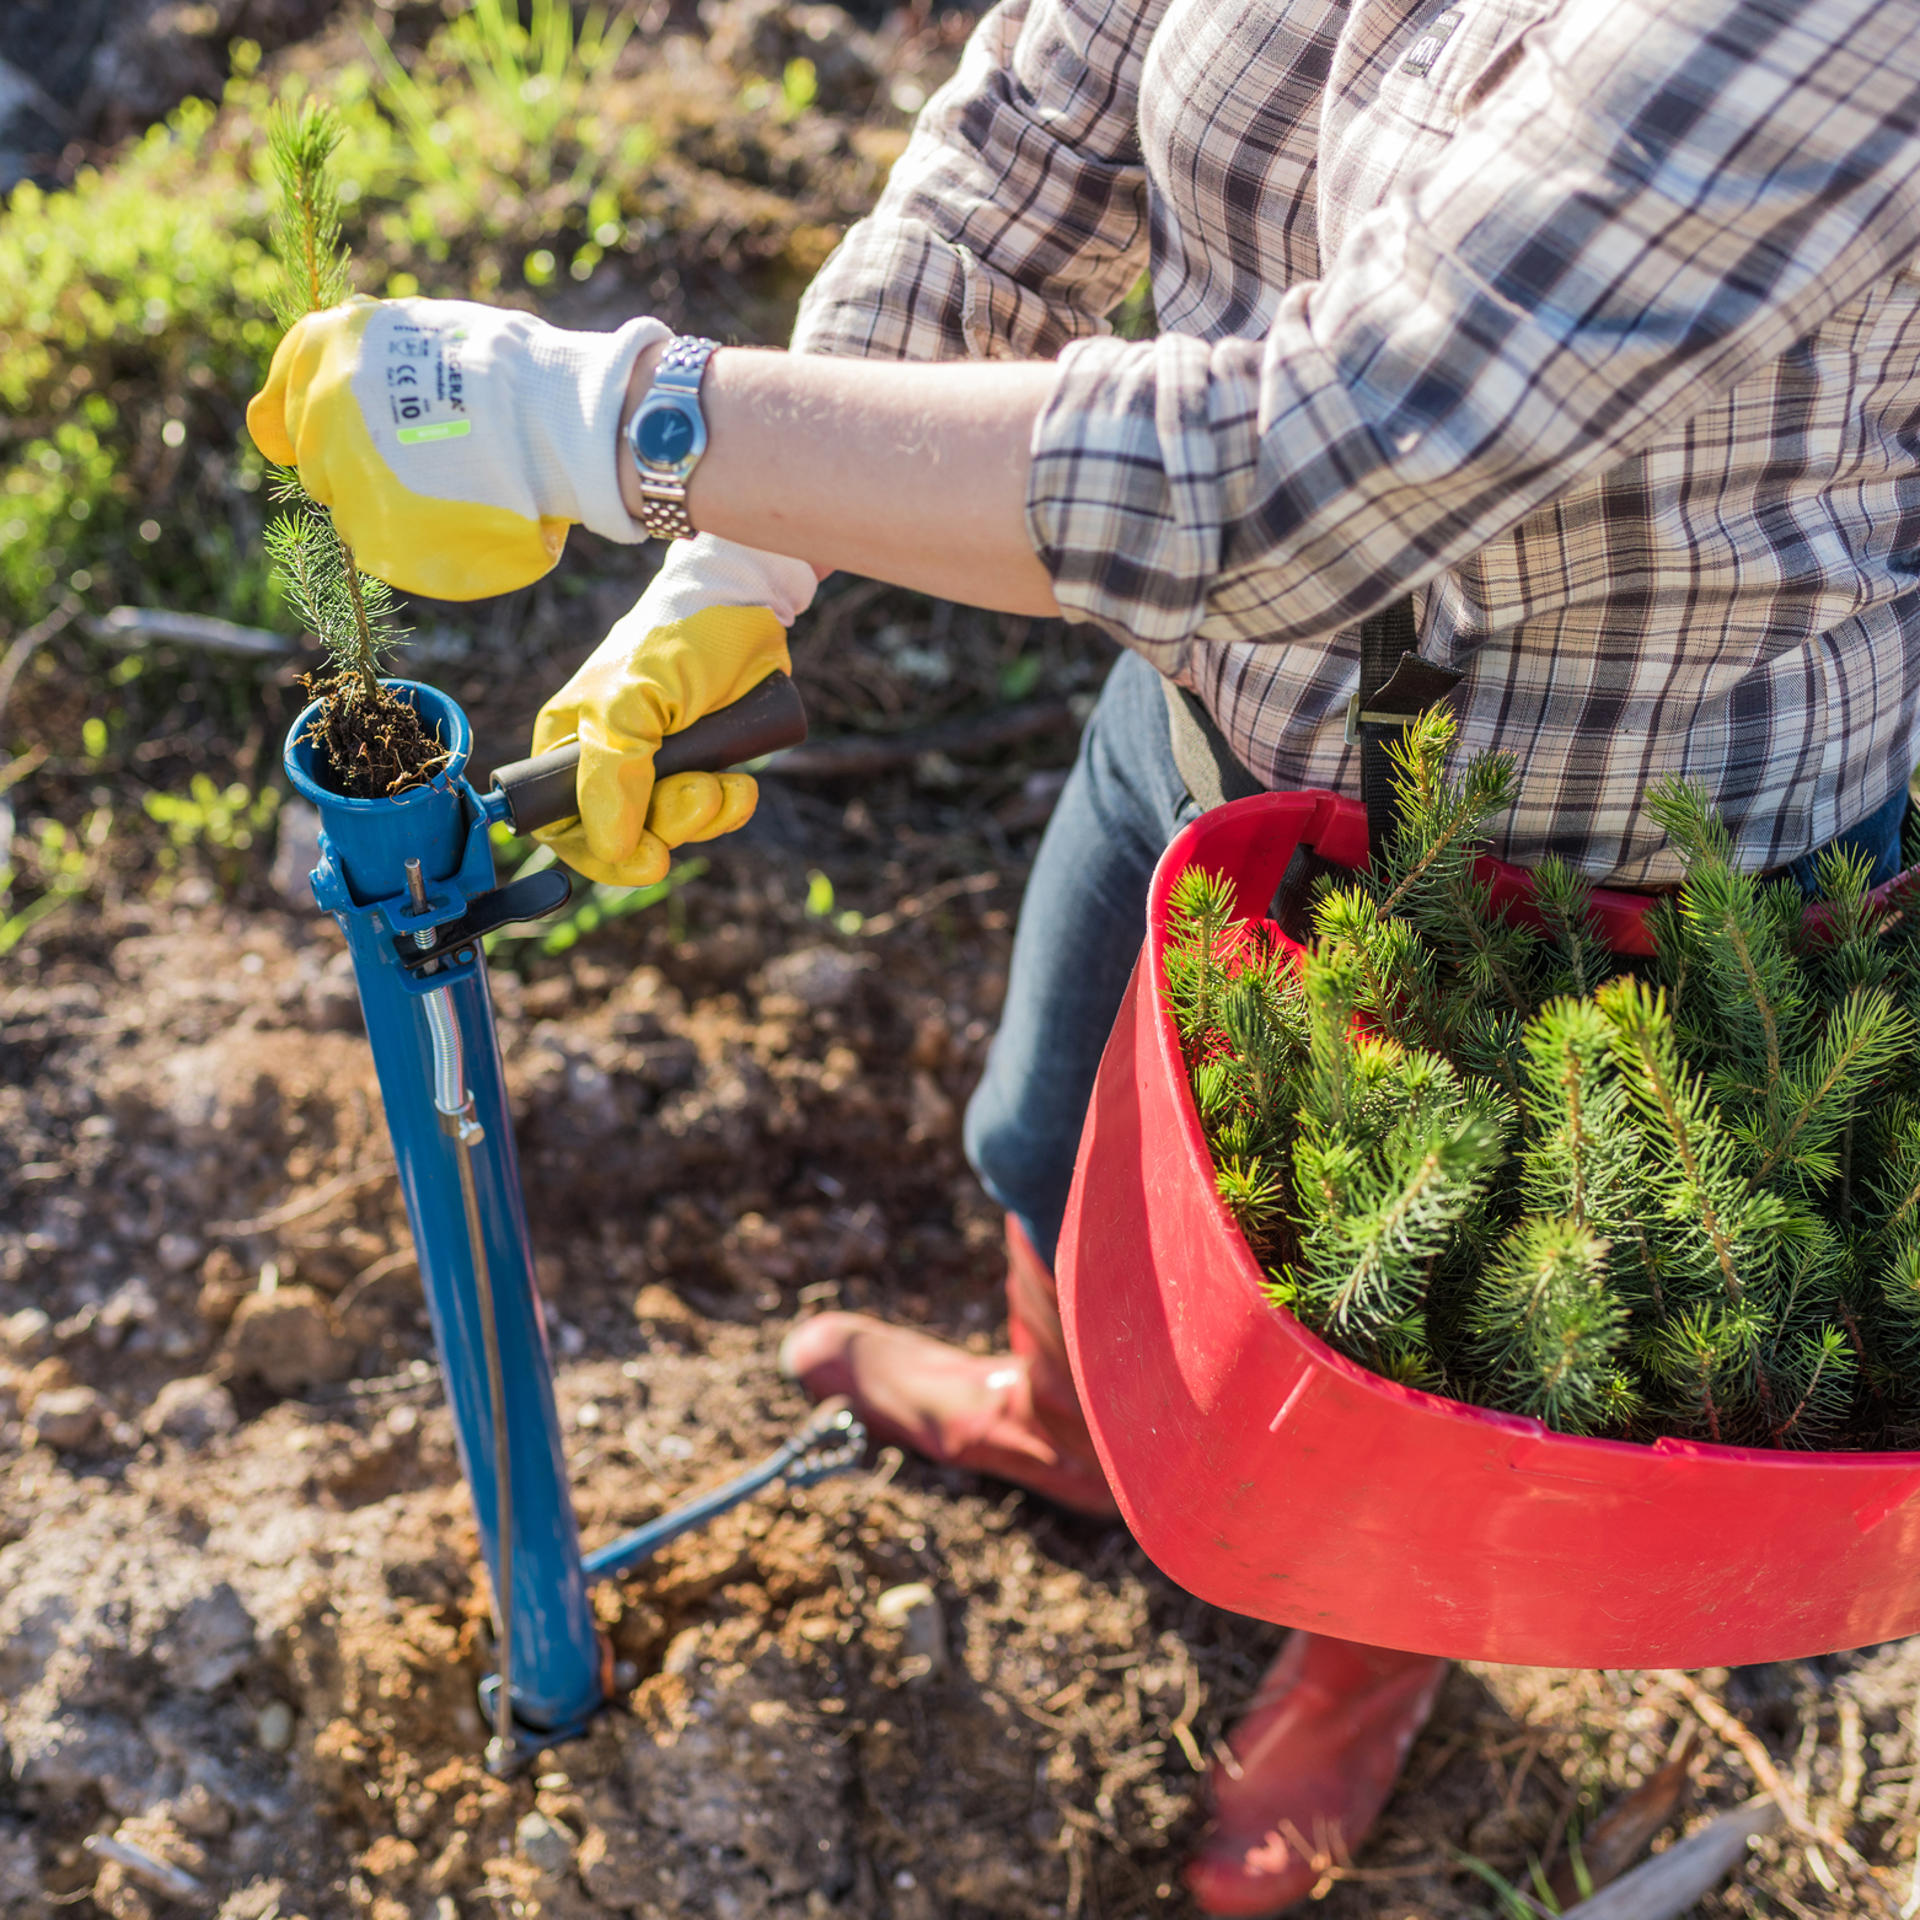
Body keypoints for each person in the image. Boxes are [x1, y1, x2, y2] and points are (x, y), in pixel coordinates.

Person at [248, 0, 1920, 1906]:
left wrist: (614, 423)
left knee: (1397, 1360)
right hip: (1212, 713)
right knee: (1047, 1131)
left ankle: (1365, 1654)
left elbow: (1320, 468)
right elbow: (1030, 141)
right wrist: (739, 570)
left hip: (1590, 850)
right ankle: (1067, 1418)